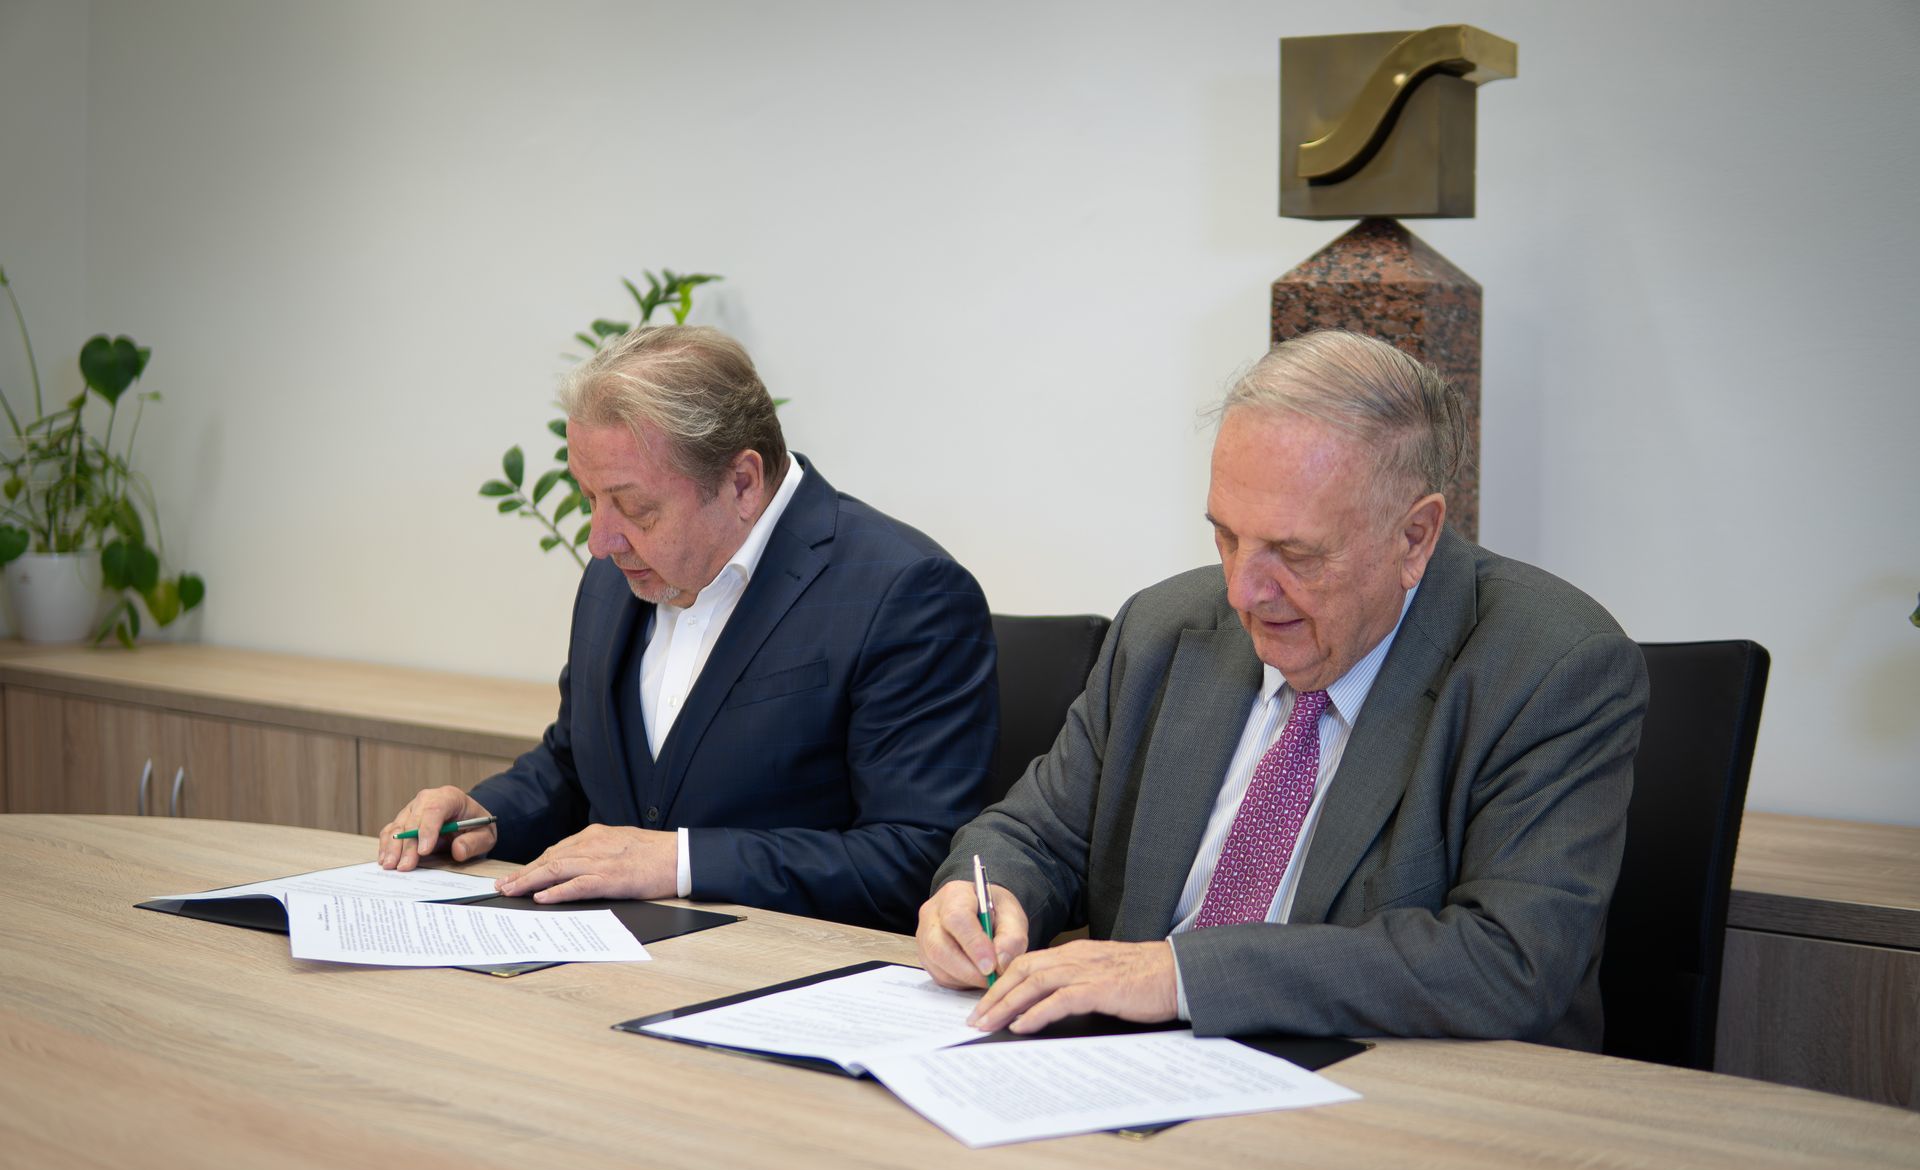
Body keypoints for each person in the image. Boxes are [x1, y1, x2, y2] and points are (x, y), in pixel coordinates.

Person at [917, 329, 1648, 1048]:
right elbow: (1033, 835)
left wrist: (1183, 976)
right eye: (1227, 536)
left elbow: (1510, 961)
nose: (1243, 590)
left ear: (1414, 537)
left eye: (1294, 552)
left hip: (1390, 1093)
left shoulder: (1550, 668)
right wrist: (985, 898)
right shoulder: (1165, 628)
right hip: (1130, 1073)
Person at [378, 324, 997, 932]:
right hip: (601, 962)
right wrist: (486, 816)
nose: (599, 541)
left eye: (635, 507)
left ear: (742, 482)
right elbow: (575, 768)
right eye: (589, 498)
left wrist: (680, 862)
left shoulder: (907, 593)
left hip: (777, 971)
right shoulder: (614, 579)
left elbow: (915, 859)